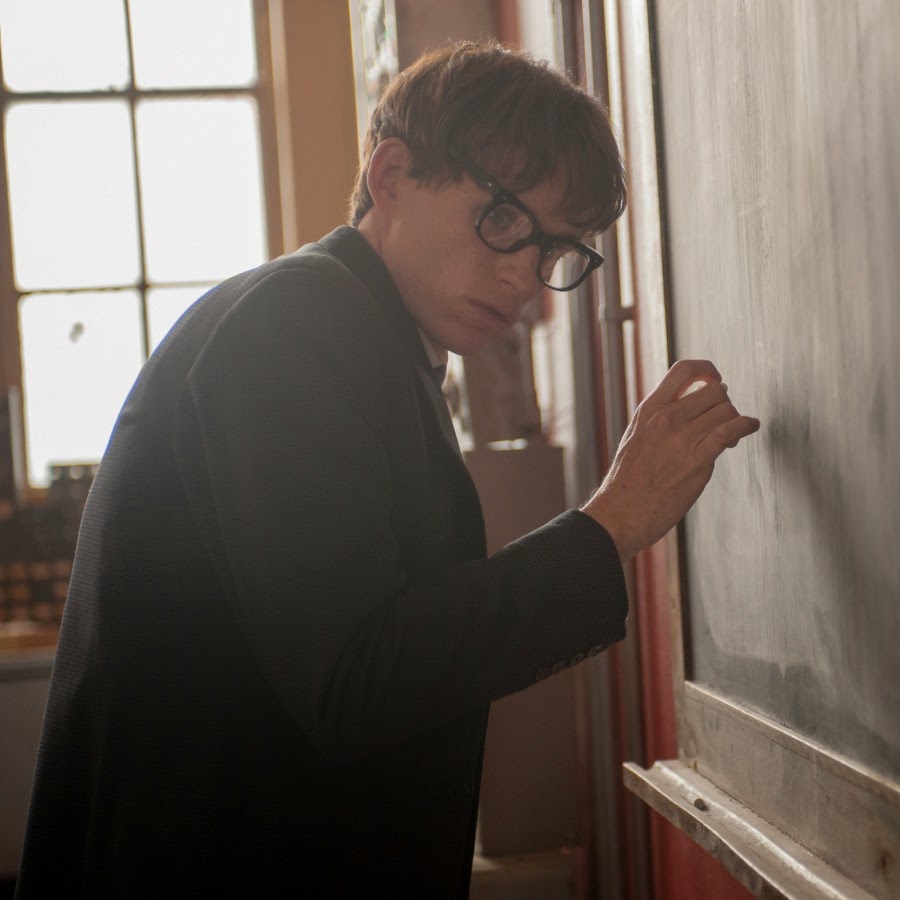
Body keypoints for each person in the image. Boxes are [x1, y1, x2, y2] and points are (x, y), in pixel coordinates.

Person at [17, 40, 759, 897]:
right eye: (504, 219)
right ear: (392, 175)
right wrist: (611, 522)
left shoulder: (362, 333)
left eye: (555, 250)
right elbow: (356, 677)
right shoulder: (298, 324)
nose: (524, 275)